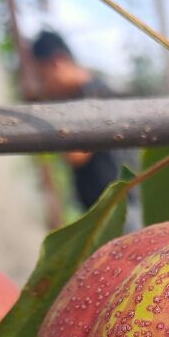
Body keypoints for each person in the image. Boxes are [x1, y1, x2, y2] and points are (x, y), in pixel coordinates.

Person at [30, 30, 137, 218]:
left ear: (57, 63)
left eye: (42, 77)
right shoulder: (89, 92)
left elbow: (76, 156)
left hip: (118, 214)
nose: (43, 86)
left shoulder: (92, 96)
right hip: (108, 211)